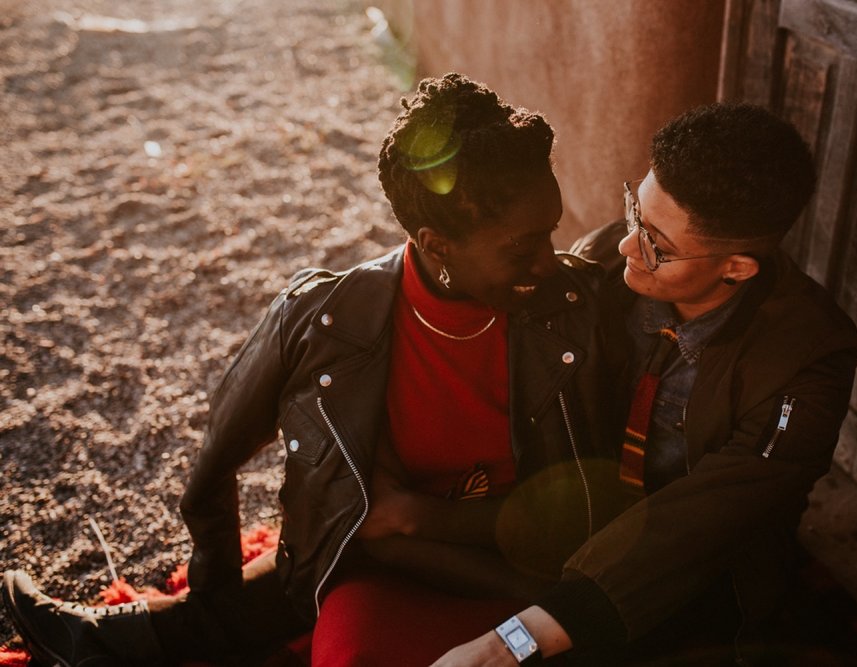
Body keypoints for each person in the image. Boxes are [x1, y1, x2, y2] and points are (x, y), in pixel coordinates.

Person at [2, 73, 624, 666]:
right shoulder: (322, 320)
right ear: (435, 245)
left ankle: (123, 636)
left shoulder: (572, 307)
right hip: (373, 560)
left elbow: (580, 507)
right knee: (343, 575)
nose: (548, 262)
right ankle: (139, 634)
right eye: (522, 247)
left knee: (360, 551)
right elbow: (216, 462)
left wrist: (414, 515)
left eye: (550, 233)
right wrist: (214, 594)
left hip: (519, 571)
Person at [431, 103, 857, 665]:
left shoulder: (808, 361)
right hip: (577, 510)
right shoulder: (609, 266)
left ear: (736, 268)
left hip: (697, 565)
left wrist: (507, 644)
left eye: (658, 244)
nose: (625, 245)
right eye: (636, 207)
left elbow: (698, 526)